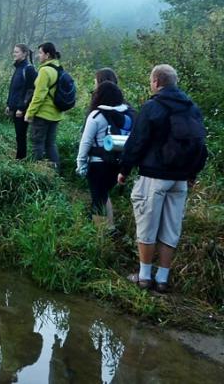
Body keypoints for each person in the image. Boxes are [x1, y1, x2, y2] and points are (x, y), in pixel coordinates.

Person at [117, 64, 207, 292]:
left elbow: (137, 140)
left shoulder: (153, 106)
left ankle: (144, 277)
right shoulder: (191, 107)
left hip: (154, 175)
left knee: (147, 226)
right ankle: (163, 279)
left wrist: (124, 169)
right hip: (180, 180)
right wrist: (192, 174)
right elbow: (199, 143)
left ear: (156, 82)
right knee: (171, 229)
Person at [76, 80, 134, 231]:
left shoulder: (96, 115)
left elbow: (86, 142)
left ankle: (100, 235)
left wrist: (81, 164)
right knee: (104, 194)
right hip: (117, 163)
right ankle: (110, 228)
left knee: (98, 200)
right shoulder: (127, 114)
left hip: (98, 164)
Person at [24, 42, 65, 166]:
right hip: (56, 114)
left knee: (37, 144)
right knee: (50, 144)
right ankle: (55, 171)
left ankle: (36, 171)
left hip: (42, 114)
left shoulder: (45, 71)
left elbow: (39, 96)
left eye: (40, 53)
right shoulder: (59, 68)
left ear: (47, 55)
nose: (38, 55)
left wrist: (29, 113)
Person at [5, 44, 38, 159]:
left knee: (21, 135)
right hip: (15, 107)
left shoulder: (28, 69)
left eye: (17, 52)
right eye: (14, 51)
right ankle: (20, 158)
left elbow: (31, 90)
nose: (14, 54)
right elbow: (14, 89)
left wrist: (21, 108)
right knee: (18, 135)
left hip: (22, 109)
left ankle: (21, 159)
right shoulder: (18, 68)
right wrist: (9, 104)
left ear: (24, 54)